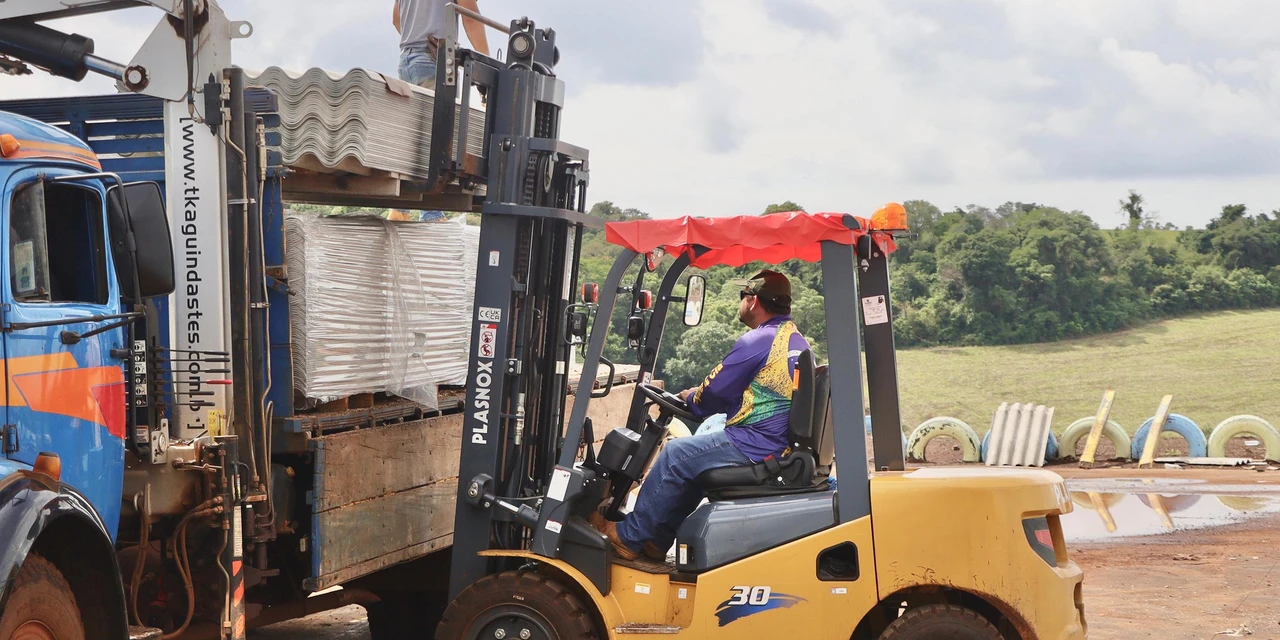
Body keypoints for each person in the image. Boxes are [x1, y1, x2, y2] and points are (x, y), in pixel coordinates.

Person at [591, 270, 810, 560]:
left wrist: (691, 398)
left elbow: (711, 396)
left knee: (676, 454)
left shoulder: (759, 341)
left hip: (756, 445)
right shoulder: (793, 339)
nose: (741, 302)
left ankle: (628, 537)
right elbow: (746, 390)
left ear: (754, 301)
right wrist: (700, 396)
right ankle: (656, 541)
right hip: (773, 443)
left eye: (742, 296)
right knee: (694, 464)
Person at [393, 0, 490, 89]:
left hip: (406, 63)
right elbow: (471, 19)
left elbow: (396, 19)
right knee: (443, 108)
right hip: (434, 60)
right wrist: (487, 65)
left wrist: (417, 37)